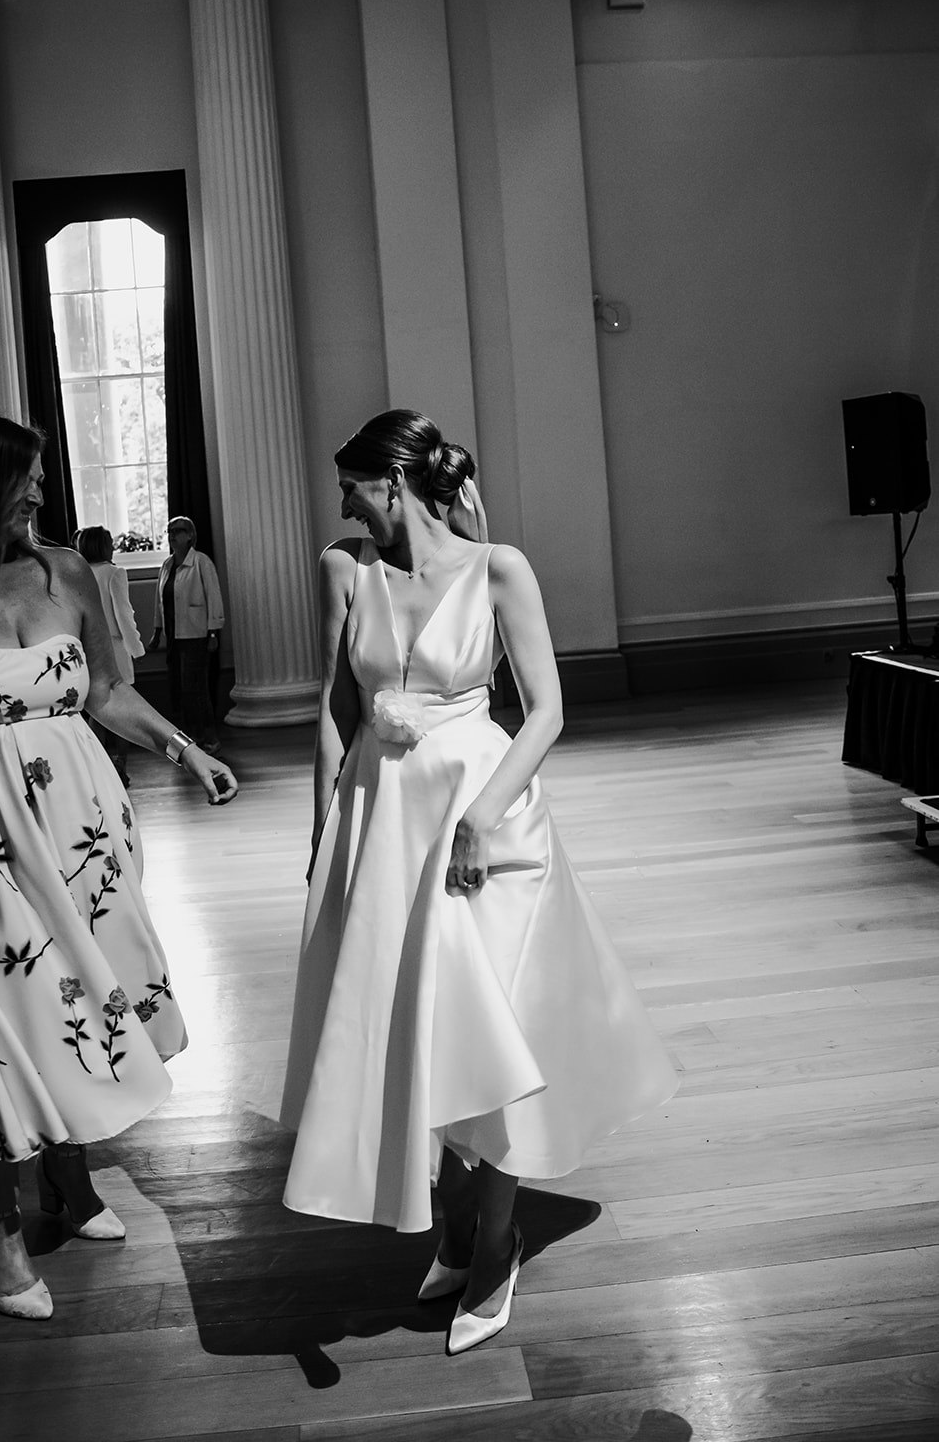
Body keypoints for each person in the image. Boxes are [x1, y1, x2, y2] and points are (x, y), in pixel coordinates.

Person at [279, 408, 678, 1355]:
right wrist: (324, 827)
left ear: (391, 481)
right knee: (407, 1028)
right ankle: (456, 1228)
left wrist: (480, 818)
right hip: (381, 820)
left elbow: (545, 711)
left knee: (488, 1026)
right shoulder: (344, 569)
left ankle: (494, 1242)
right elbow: (335, 708)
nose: (343, 505)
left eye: (351, 487)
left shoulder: (499, 568)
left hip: (482, 815)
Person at [0, 413, 238, 1322]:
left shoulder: (64, 572)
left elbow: (106, 691)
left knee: (78, 995)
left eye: (40, 483)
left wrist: (184, 749)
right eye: (23, 483)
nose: (38, 496)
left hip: (84, 836)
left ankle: (68, 1178)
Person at [72, 525, 146, 785]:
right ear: (104, 546)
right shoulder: (115, 573)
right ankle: (120, 767)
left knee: (96, 710)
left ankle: (98, 768)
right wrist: (136, 649)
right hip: (114, 648)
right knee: (121, 709)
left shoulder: (78, 574)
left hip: (87, 647)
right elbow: (124, 614)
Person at [153, 515, 224, 754]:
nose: (172, 535)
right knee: (179, 689)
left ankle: (208, 737)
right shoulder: (167, 565)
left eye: (178, 531)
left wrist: (213, 632)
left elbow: (214, 596)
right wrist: (157, 631)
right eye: (169, 531)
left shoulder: (201, 562)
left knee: (196, 689)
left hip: (196, 635)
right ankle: (189, 739)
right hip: (174, 636)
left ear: (190, 535)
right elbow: (159, 602)